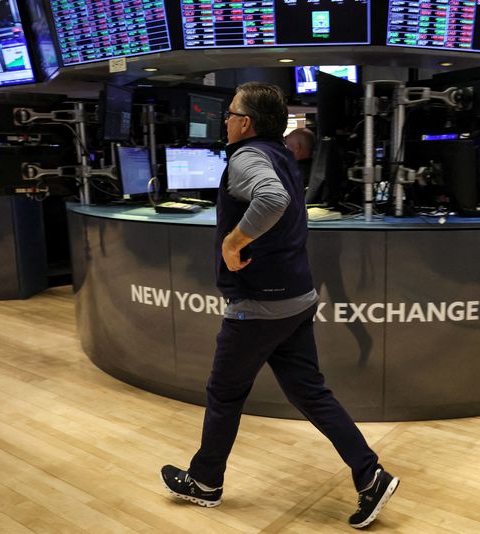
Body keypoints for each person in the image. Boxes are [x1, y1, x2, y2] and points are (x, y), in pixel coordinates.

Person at [160, 82, 399, 529]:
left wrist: (233, 241)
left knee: (224, 393)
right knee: (310, 392)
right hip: (295, 298)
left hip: (258, 304)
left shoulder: (248, 157)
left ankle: (206, 482)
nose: (225, 120)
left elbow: (272, 199)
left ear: (246, 122)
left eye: (230, 113)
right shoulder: (281, 153)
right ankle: (371, 476)